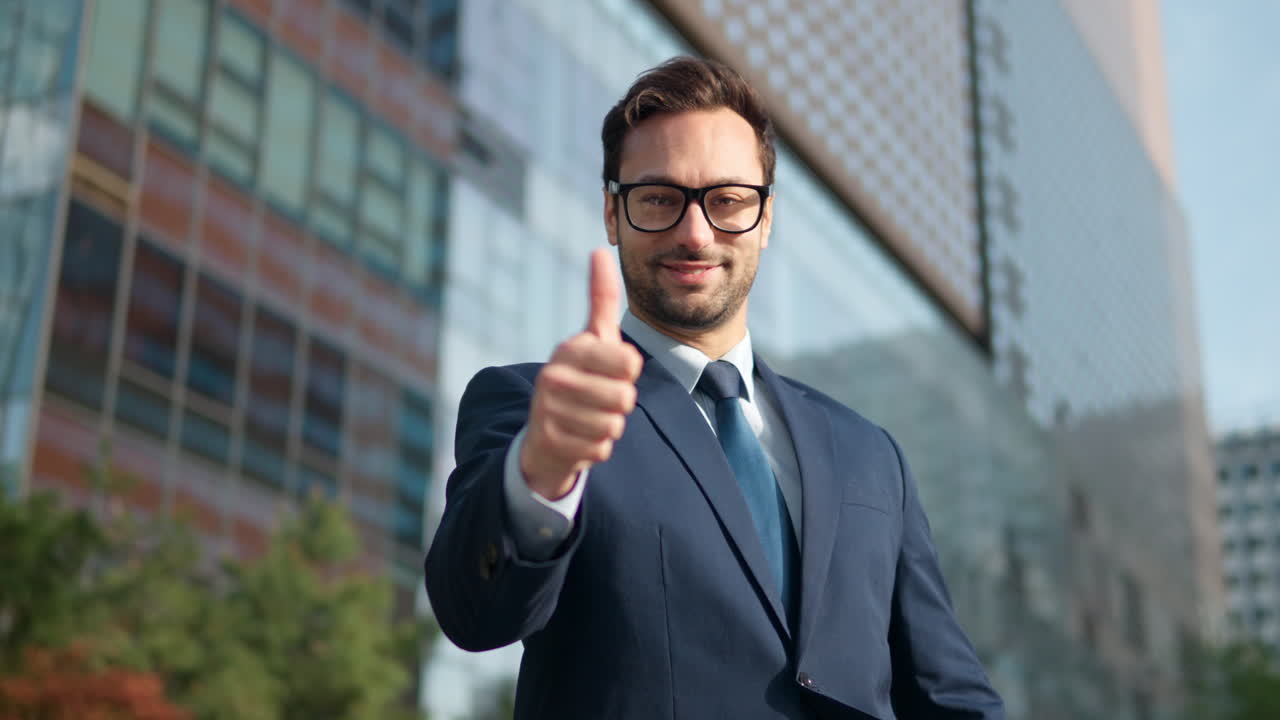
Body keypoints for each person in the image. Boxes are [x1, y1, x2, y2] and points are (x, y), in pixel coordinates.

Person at [425, 56, 1004, 719]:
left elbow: (950, 695)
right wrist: (542, 472)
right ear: (613, 214)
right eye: (658, 199)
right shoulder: (541, 408)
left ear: (766, 217)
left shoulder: (872, 456)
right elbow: (473, 614)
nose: (695, 233)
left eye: (727, 200)